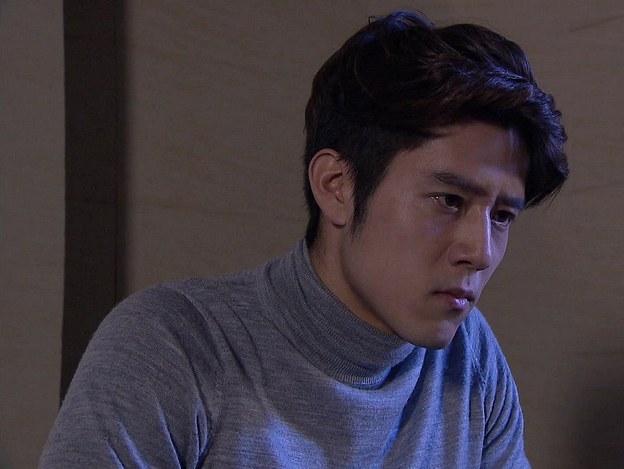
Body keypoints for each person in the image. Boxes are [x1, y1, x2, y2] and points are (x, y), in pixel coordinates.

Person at [40, 10, 568, 468]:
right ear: (337, 187)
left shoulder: (471, 359)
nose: (480, 251)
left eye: (502, 216)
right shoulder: (175, 346)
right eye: (448, 200)